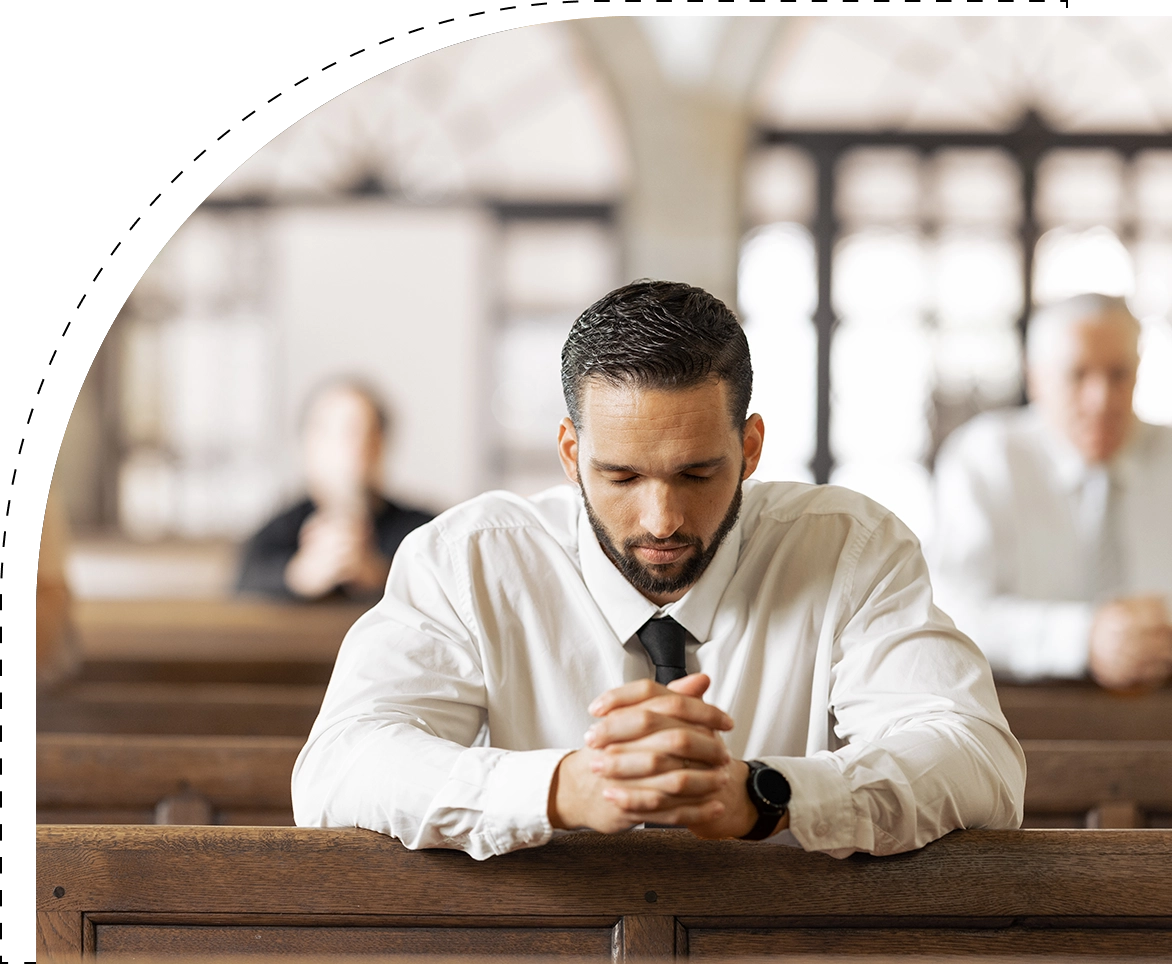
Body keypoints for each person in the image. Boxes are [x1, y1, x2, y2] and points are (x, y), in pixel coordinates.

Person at [293, 281, 1024, 860]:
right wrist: (560, 788)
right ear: (572, 454)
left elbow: (976, 758)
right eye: (620, 477)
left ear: (752, 447)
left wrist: (768, 795)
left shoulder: (851, 548)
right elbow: (338, 768)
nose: (661, 520)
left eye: (698, 473)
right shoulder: (469, 560)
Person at [932, 294, 1172, 690]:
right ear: (1036, 378)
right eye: (1078, 375)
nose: (1101, 400)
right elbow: (951, 611)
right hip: (1022, 717)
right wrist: (1083, 638)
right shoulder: (985, 458)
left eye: (1118, 374)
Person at [236, 380, 433, 601]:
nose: (350, 446)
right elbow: (239, 589)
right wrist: (300, 576)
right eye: (331, 432)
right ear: (307, 444)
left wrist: (378, 576)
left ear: (380, 444)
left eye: (361, 432)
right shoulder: (278, 531)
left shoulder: (423, 532)